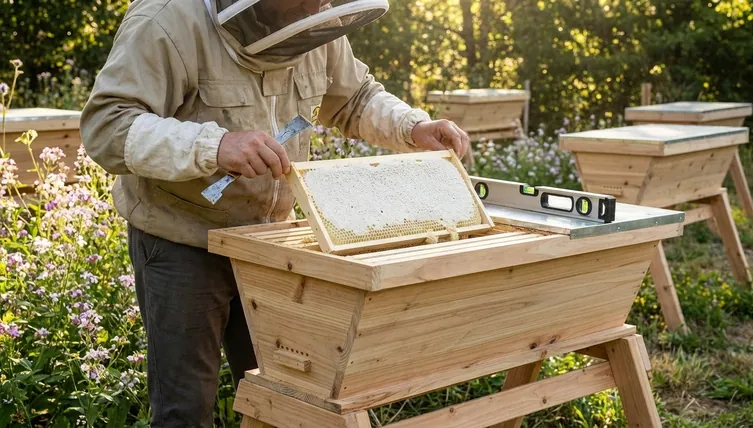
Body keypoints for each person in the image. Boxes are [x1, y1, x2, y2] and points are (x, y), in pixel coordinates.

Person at [79, 0, 470, 426]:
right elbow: (107, 126)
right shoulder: (166, 20)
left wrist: (412, 127)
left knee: (296, 395)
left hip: (271, 247)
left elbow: (355, 97)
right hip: (183, 242)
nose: (318, 9)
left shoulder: (314, 18)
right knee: (185, 410)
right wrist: (215, 145)